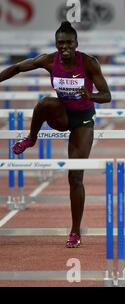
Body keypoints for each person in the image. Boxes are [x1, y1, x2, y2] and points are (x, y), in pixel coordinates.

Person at [0, 21, 111, 247]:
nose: (65, 47)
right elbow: (17, 68)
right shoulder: (48, 60)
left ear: (76, 44)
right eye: (61, 43)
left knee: (75, 177)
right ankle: (31, 138)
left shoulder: (89, 63)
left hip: (83, 120)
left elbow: (107, 95)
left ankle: (75, 231)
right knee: (44, 103)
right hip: (62, 115)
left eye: (69, 43)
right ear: (56, 44)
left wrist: (90, 97)